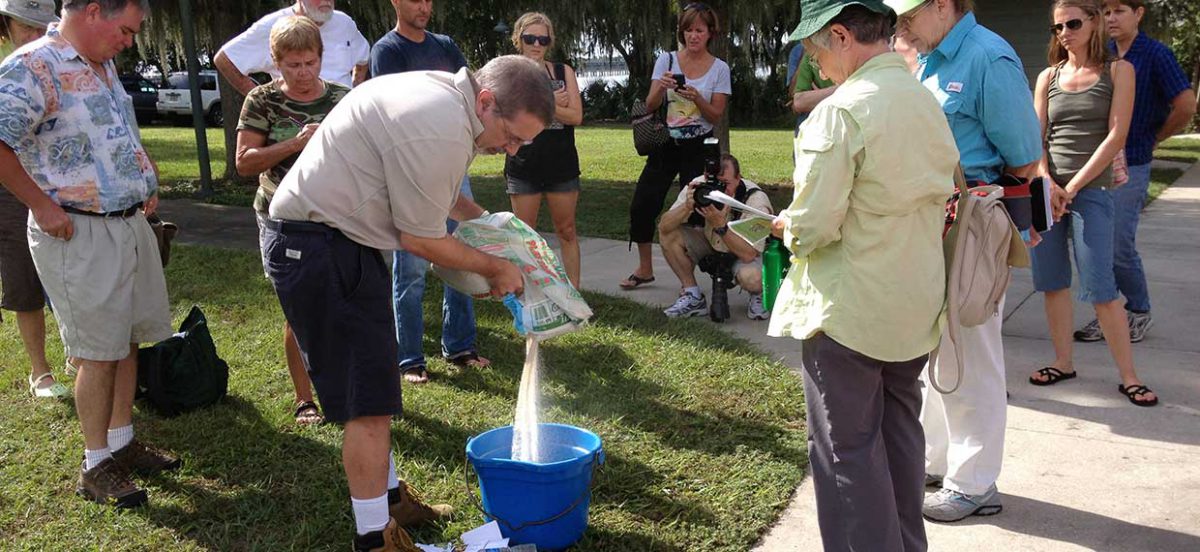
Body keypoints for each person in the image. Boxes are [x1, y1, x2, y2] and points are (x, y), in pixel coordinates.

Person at [266, 55, 552, 552]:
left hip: (343, 242)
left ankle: (391, 500)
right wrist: (495, 268)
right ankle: (374, 538)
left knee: (374, 391)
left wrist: (492, 228)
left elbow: (440, 197)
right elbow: (421, 240)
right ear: (486, 101)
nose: (513, 150)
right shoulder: (439, 124)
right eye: (513, 136)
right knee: (367, 408)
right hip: (320, 246)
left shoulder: (451, 101)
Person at [769, 1, 959, 549]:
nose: (816, 64)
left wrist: (788, 227)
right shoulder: (924, 100)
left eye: (815, 50)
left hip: (850, 308)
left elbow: (814, 226)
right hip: (913, 301)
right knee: (902, 434)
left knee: (846, 450)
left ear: (842, 36)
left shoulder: (842, 109)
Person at [0, 0, 181, 508]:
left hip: (126, 223)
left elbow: (111, 131)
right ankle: (94, 462)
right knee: (98, 352)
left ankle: (121, 443)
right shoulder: (35, 65)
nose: (129, 41)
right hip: (76, 231)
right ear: (95, 10)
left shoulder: (101, 63)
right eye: (125, 30)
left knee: (126, 339)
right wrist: (40, 204)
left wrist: (143, 173)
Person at [888, 0, 1044, 522]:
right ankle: (937, 460)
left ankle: (975, 482)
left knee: (973, 350)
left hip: (975, 224)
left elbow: (1024, 155)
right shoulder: (932, 57)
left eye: (908, 13)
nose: (901, 25)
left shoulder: (988, 58)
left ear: (942, 5)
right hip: (935, 224)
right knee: (936, 348)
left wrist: (1020, 220)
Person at [1029, 0, 1158, 407]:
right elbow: (1037, 137)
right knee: (1052, 284)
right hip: (1048, 192)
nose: (1064, 32)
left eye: (1072, 23)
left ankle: (1130, 376)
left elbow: (1117, 135)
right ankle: (1063, 362)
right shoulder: (1047, 76)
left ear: (1094, 22)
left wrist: (1073, 186)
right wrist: (1048, 181)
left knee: (1102, 287)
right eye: (1057, 27)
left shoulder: (1119, 70)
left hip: (1093, 193)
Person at [235, 16, 349, 425]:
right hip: (281, 218)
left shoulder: (342, 97)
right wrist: (296, 143)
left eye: (310, 63)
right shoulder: (262, 101)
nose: (303, 74)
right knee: (298, 310)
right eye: (292, 65)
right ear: (276, 62)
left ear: (322, 58)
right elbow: (244, 163)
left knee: (343, 303)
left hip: (334, 216)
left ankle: (346, 388)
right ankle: (305, 399)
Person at [371, 0, 490, 384]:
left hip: (452, 169)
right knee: (411, 268)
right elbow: (393, 112)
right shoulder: (387, 51)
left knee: (461, 256)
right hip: (410, 172)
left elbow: (470, 96)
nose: (423, 6)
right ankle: (409, 359)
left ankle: (460, 346)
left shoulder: (446, 45)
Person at [1073, 0, 1197, 343]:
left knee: (1118, 245)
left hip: (1134, 160)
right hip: (1099, 163)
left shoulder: (1155, 55)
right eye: (1106, 12)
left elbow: (1186, 104)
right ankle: (1109, 314)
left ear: (1138, 13)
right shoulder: (1102, 52)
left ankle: (1138, 311)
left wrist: (1155, 137)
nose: (1111, 18)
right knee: (1096, 244)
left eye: (1119, 11)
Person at [620, 3, 730, 290]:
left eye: (699, 30)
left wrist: (697, 98)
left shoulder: (720, 68)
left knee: (698, 208)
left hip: (699, 146)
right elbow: (650, 104)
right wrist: (661, 86)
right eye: (688, 30)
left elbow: (716, 115)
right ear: (681, 32)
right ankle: (645, 268)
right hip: (666, 143)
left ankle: (697, 271)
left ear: (709, 34)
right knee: (643, 204)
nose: (693, 36)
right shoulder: (666, 59)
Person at [0, 0, 65, 399]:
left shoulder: (66, 69)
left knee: (72, 274)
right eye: (26, 25)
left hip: (63, 184)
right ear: (6, 27)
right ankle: (40, 371)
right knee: (23, 279)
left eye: (43, 25)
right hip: (12, 190)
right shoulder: (6, 75)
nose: (35, 34)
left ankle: (80, 355)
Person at [504, 12, 583, 288]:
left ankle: (573, 294)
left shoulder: (564, 72)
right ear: (519, 40)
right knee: (526, 236)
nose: (537, 44)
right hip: (523, 166)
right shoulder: (511, 73)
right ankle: (529, 293)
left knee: (567, 230)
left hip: (561, 165)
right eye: (530, 38)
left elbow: (575, 116)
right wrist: (551, 101)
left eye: (543, 39)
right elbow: (511, 115)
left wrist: (540, 106)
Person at [659, 153, 773, 320]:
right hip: (709, 243)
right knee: (670, 235)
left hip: (743, 252)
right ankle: (692, 296)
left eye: (725, 184)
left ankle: (759, 294)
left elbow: (749, 254)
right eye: (715, 184)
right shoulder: (699, 187)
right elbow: (663, 227)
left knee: (752, 278)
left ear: (739, 178)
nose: (718, 191)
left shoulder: (755, 200)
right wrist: (687, 207)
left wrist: (720, 225)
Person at [215, 0, 368, 96]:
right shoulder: (273, 26)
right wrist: (264, 103)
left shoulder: (344, 23)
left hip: (345, 124)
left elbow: (363, 58)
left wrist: (353, 93)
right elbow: (225, 59)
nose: (326, 2)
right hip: (298, 127)